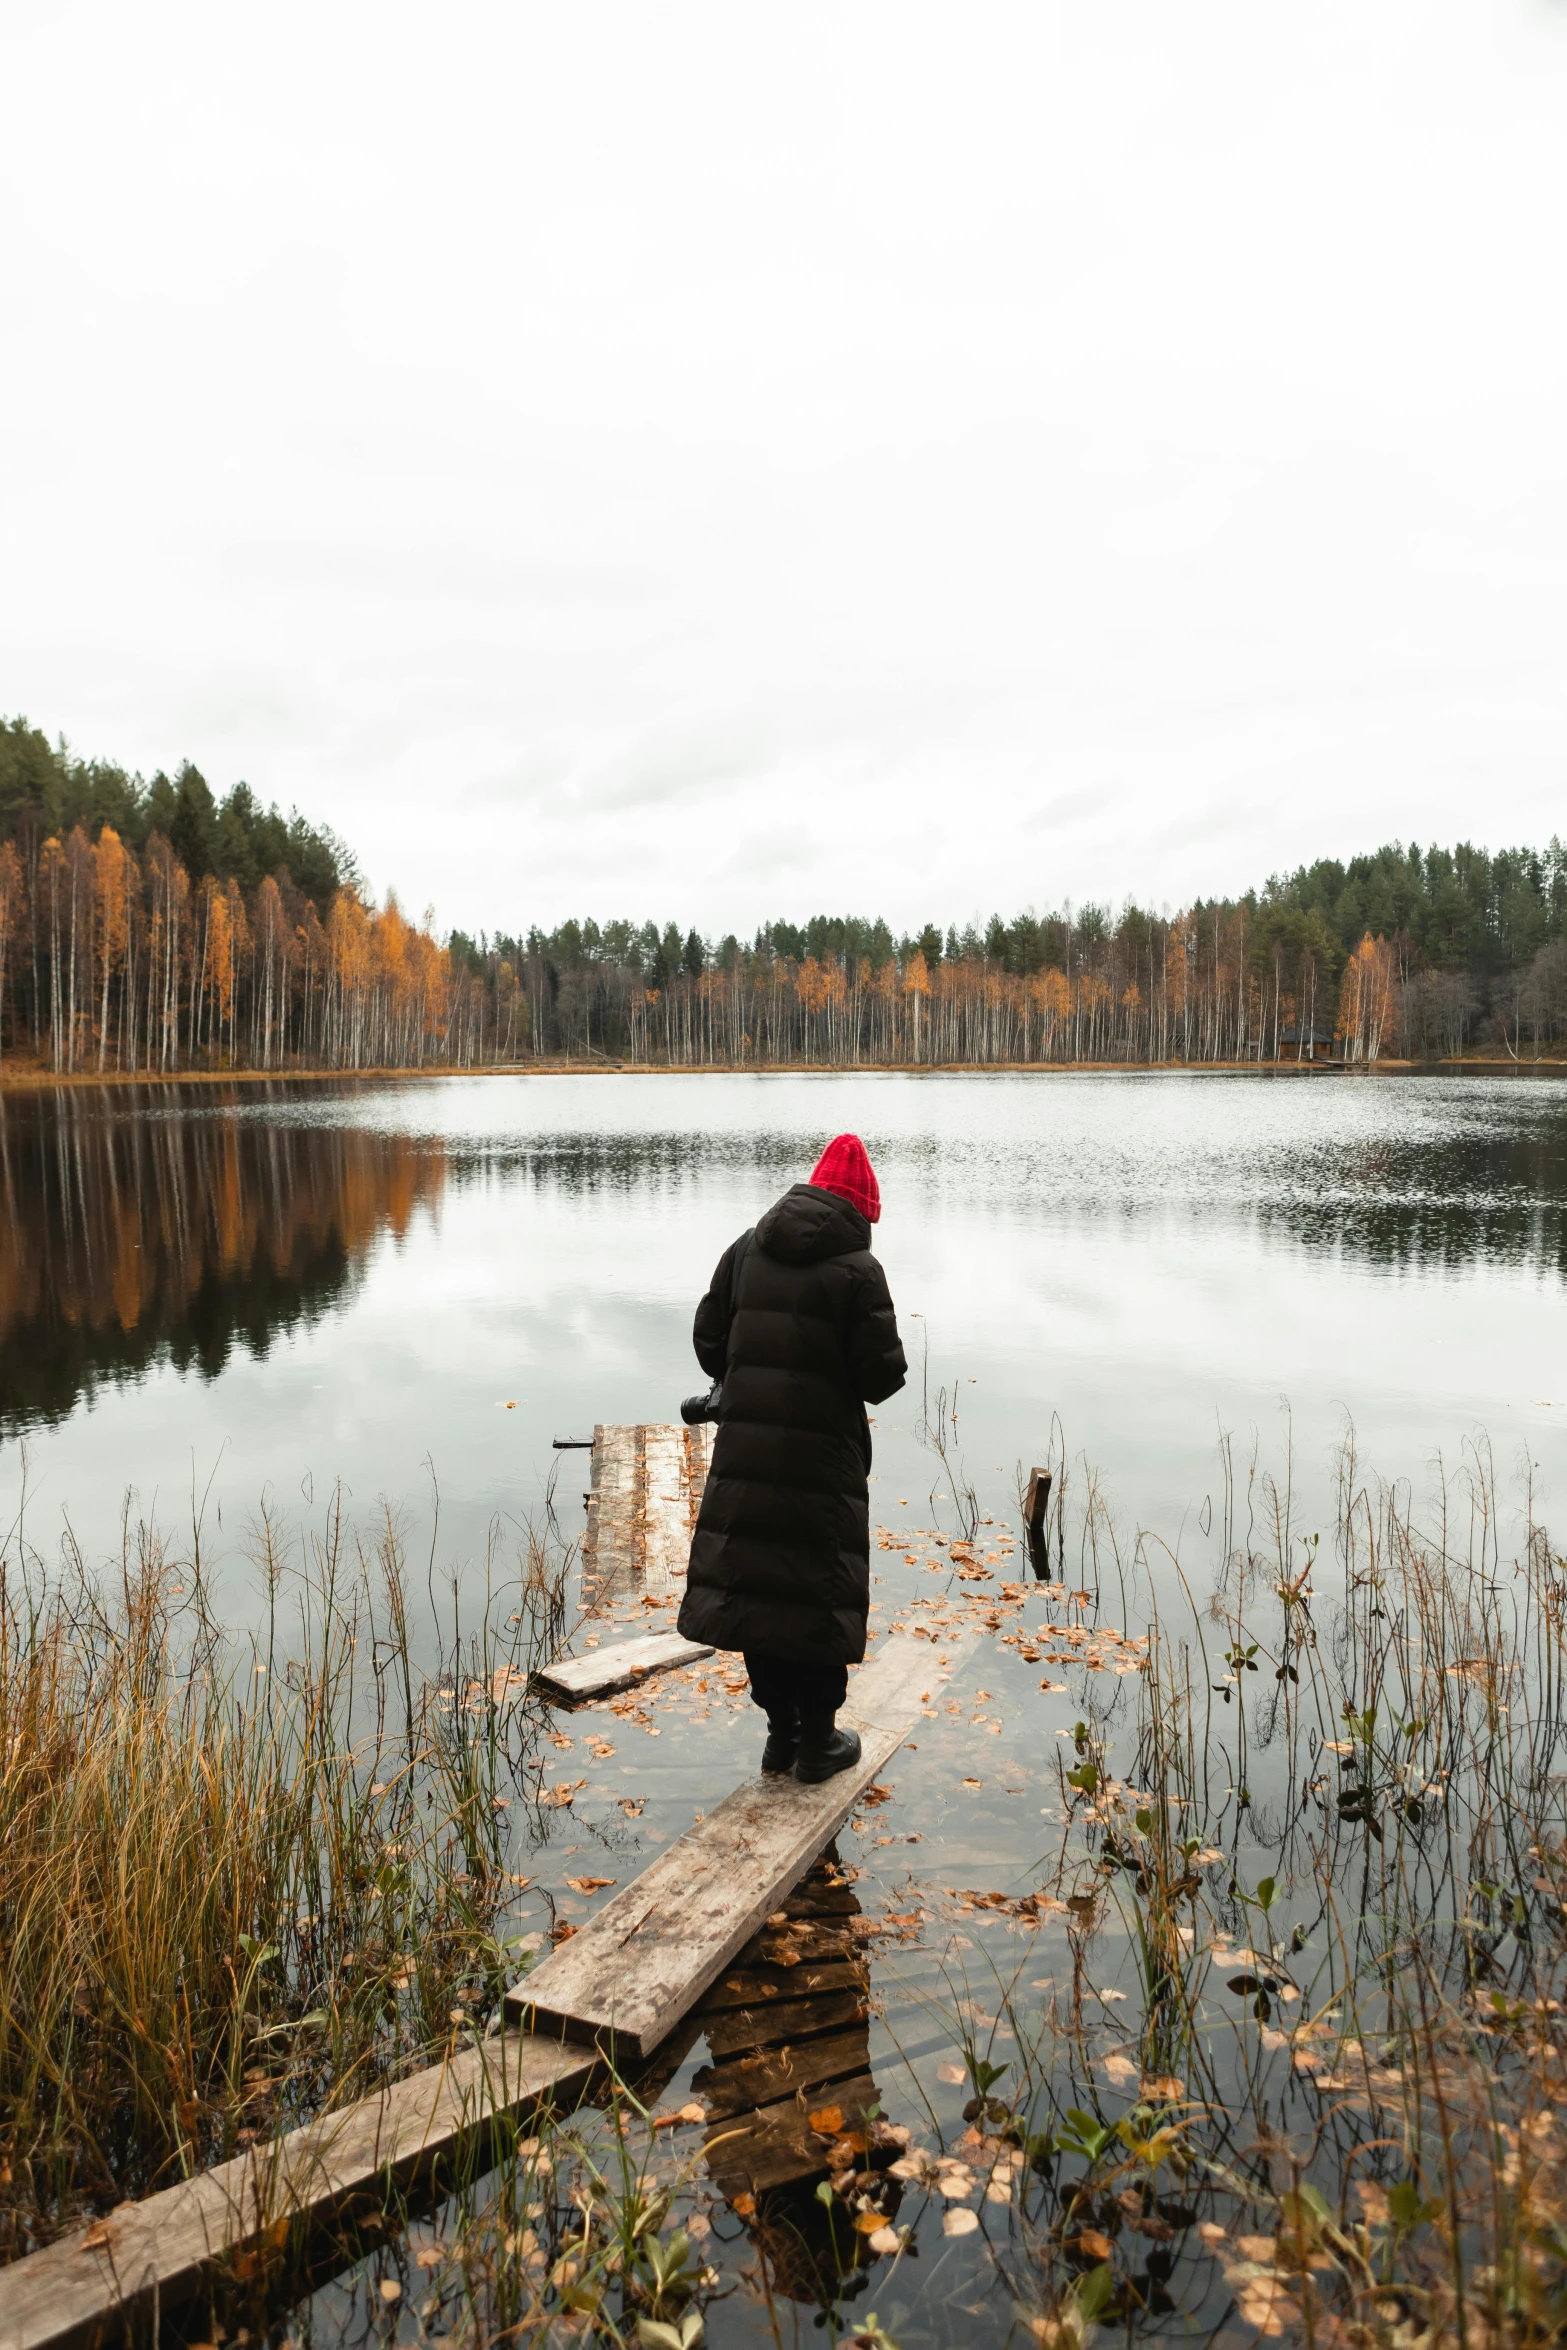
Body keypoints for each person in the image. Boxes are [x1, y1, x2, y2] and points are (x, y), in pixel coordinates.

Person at [676, 1133, 907, 1782]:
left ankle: (779, 1736)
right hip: (821, 1461)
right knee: (815, 1591)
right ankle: (818, 1743)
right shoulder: (858, 1272)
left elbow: (708, 1338)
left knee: (758, 1590)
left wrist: (746, 1381)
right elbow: (880, 1380)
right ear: (860, 1210)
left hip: (746, 1451)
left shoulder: (746, 1249)